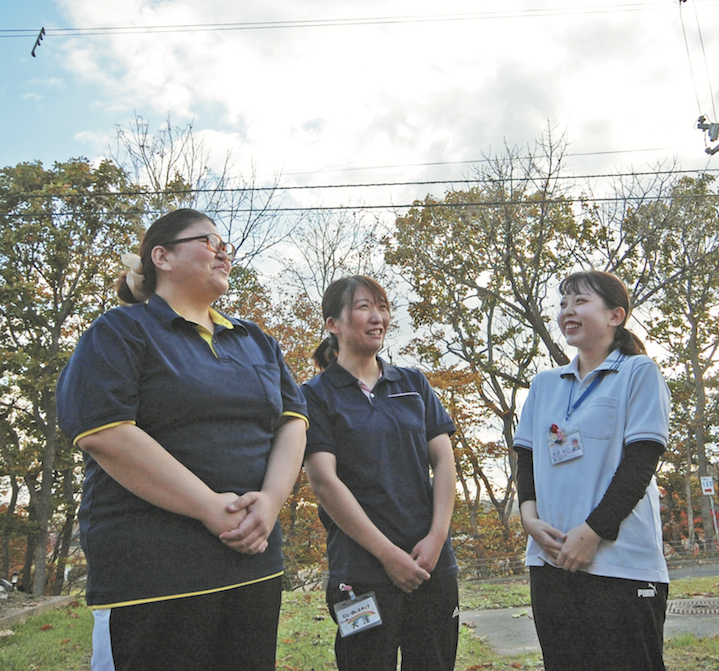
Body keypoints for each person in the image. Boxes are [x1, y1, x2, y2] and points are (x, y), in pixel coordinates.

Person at [56, 208, 308, 671]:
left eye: (225, 244)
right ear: (162, 257)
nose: (224, 252)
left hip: (253, 571)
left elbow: (293, 422)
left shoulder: (256, 341)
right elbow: (105, 433)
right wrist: (211, 508)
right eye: (210, 241)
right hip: (154, 578)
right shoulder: (120, 331)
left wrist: (271, 502)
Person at [514, 270, 671, 671]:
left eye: (580, 301)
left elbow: (641, 463)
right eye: (563, 302)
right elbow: (527, 458)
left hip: (622, 563)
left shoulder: (639, 373)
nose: (568, 310)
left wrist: (594, 531)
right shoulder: (544, 384)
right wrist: (529, 519)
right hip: (550, 561)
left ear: (616, 315)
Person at [301, 275, 459, 671]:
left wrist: (437, 538)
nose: (378, 317)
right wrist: (387, 555)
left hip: (430, 564)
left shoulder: (413, 384)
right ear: (332, 324)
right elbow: (323, 480)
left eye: (383, 307)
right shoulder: (313, 395)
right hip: (360, 571)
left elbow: (443, 462)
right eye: (364, 307)